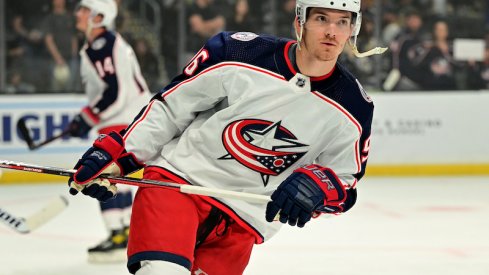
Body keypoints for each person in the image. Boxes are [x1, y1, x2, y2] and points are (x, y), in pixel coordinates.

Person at [67, 0, 383, 273]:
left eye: (343, 22)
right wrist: (121, 156)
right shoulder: (239, 53)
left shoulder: (354, 107)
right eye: (321, 19)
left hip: (242, 221)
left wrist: (320, 187)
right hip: (178, 185)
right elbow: (172, 109)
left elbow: (344, 181)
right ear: (299, 21)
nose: (331, 32)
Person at [67, 0, 152, 263]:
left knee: (102, 172)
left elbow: (116, 93)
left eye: (84, 9)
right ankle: (122, 232)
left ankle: (119, 234)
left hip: (124, 118)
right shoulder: (100, 44)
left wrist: (88, 116)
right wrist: (86, 115)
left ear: (98, 16)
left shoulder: (103, 45)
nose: (78, 13)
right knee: (111, 175)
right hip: (125, 117)